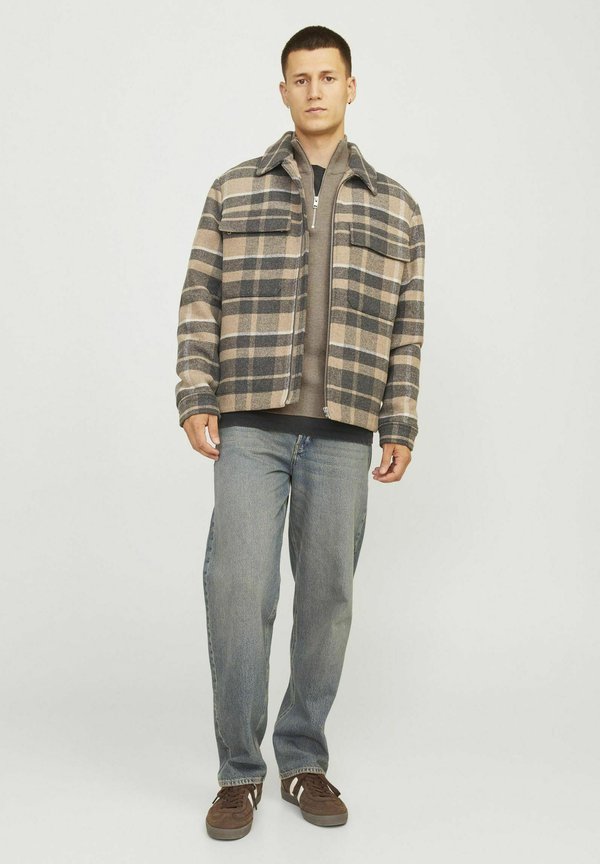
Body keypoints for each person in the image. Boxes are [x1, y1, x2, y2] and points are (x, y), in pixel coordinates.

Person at [175, 25, 425, 840]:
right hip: (250, 422)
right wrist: (195, 394)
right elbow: (200, 297)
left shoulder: (397, 207)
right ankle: (238, 773)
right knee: (237, 592)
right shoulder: (234, 190)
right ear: (283, 91)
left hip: (346, 427)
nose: (314, 90)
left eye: (327, 76)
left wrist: (400, 419)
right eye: (300, 78)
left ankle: (303, 758)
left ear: (350, 87)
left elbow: (407, 327)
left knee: (328, 601)